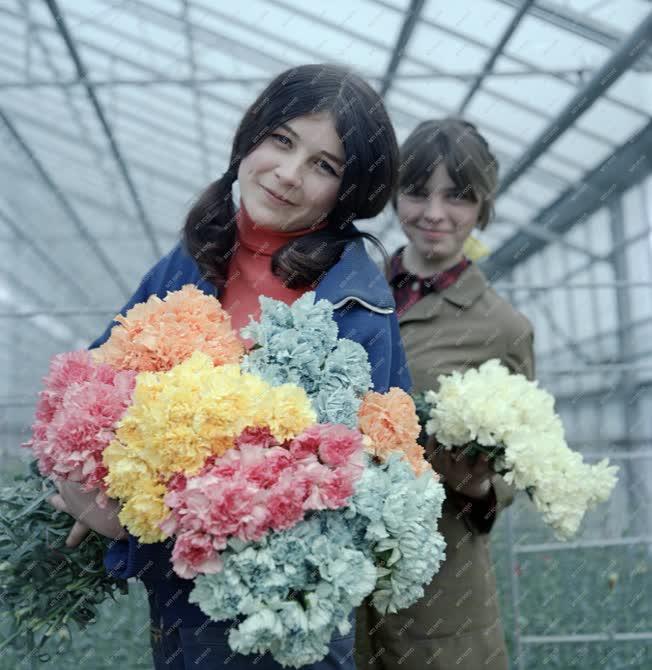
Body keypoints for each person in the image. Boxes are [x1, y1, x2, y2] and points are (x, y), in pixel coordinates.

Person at [47, 63, 411, 670]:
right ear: (252, 134)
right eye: (283, 140)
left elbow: (340, 508)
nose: (289, 175)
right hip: (179, 618)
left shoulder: (358, 306)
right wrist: (80, 476)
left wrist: (134, 524)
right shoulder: (190, 260)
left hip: (279, 629)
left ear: (350, 192)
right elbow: (94, 377)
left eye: (325, 166)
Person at [354, 118, 536, 670]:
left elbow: (525, 459)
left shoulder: (502, 327)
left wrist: (481, 485)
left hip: (441, 587)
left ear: (483, 206)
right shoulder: (351, 294)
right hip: (340, 575)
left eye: (457, 196)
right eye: (417, 192)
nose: (434, 213)